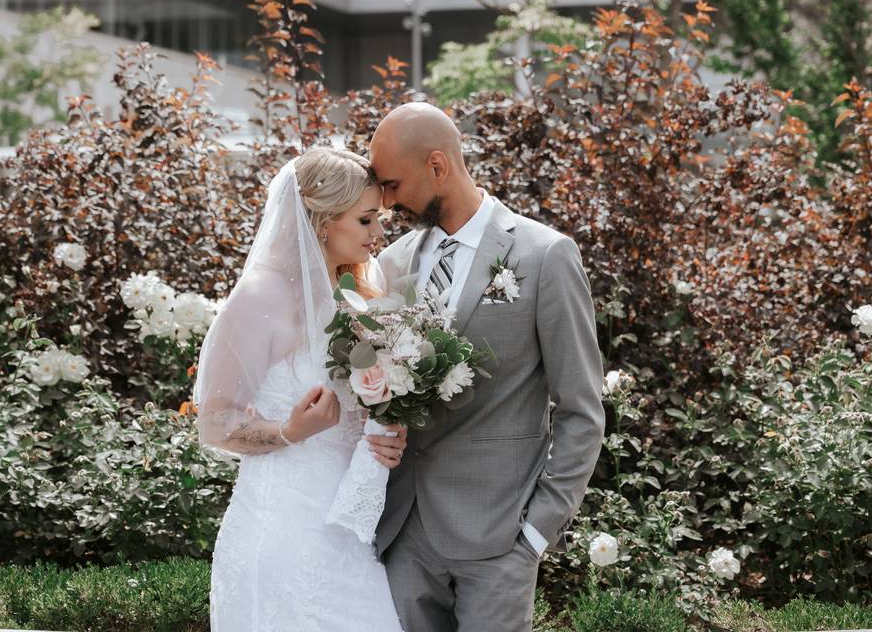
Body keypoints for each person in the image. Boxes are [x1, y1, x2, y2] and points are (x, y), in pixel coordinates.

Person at [371, 102, 606, 632]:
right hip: (404, 531)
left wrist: (537, 533)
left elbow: (582, 410)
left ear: (437, 166)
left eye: (392, 184)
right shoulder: (392, 262)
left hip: (501, 536)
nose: (385, 203)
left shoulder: (545, 256)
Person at [193, 147, 408, 632]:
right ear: (323, 221)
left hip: (351, 532)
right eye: (367, 220)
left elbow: (363, 410)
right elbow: (213, 422)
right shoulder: (259, 298)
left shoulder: (358, 293)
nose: (379, 234)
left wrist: (384, 436)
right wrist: (290, 430)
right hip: (282, 532)